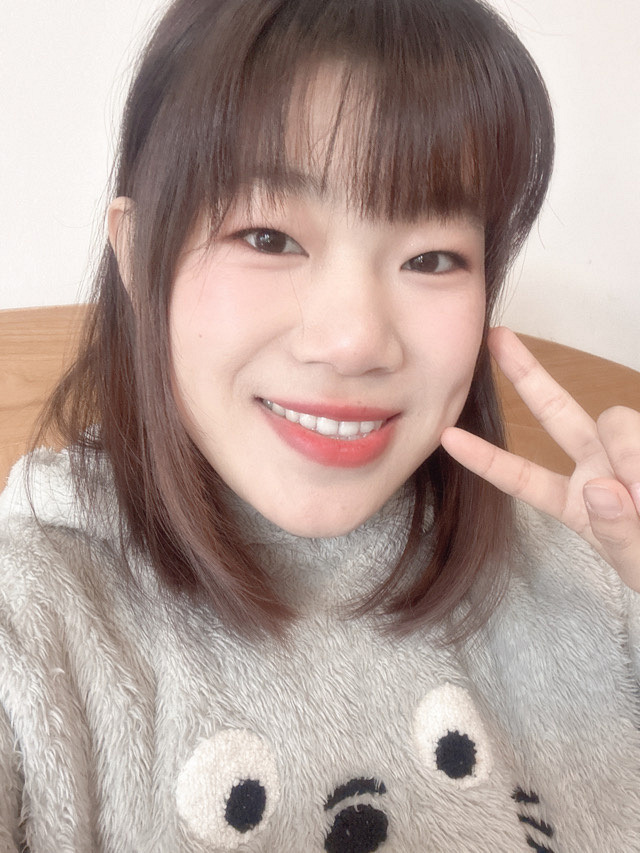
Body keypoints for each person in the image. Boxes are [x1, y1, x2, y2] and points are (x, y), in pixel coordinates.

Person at [1, 0, 639, 850]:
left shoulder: (597, 576)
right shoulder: (31, 620)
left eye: (432, 257)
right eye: (268, 237)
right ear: (139, 252)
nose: (355, 341)